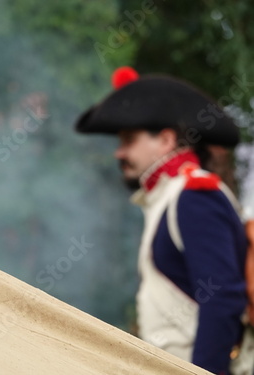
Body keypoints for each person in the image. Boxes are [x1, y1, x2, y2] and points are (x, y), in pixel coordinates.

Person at [75, 67, 249, 375]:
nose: (119, 152)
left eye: (129, 140)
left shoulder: (195, 195)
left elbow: (221, 299)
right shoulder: (171, 196)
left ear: (166, 140)